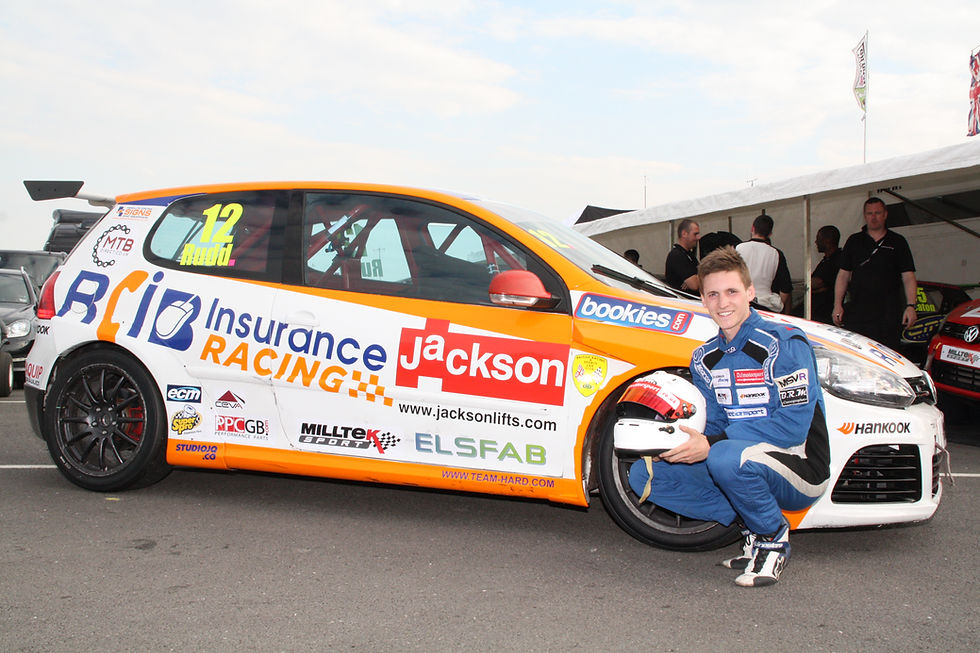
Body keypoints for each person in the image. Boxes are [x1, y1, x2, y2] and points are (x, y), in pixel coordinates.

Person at [628, 246, 830, 587]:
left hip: (802, 465)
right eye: (713, 294)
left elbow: (793, 426)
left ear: (750, 292)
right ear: (703, 300)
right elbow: (717, 423)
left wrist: (713, 444)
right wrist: (679, 440)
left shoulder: (785, 343)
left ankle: (772, 538)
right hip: (737, 458)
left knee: (723, 456)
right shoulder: (704, 357)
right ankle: (752, 523)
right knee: (643, 475)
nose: (723, 303)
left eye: (732, 292)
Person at [833, 198, 918, 350]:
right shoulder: (854, 241)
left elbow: (908, 276)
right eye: (869, 213)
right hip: (858, 313)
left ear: (885, 214)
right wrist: (837, 305)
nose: (874, 217)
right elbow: (843, 275)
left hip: (889, 314)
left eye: (877, 213)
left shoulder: (898, 242)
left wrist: (911, 306)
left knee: (888, 356)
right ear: (864, 216)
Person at [735, 214, 791, 312]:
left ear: (752, 228)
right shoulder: (776, 254)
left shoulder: (738, 248)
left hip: (742, 301)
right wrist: (778, 306)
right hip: (766, 305)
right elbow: (786, 287)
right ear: (770, 234)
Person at [809, 225, 841, 324]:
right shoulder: (825, 260)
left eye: (818, 239)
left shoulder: (838, 259)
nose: (816, 242)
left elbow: (819, 283)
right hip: (817, 311)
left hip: (826, 313)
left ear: (828, 240)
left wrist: (811, 284)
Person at [664, 219, 700, 292]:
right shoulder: (677, 255)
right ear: (684, 234)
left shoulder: (689, 255)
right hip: (682, 301)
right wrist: (695, 278)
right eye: (695, 234)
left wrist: (697, 277)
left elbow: (701, 273)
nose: (698, 237)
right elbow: (694, 285)